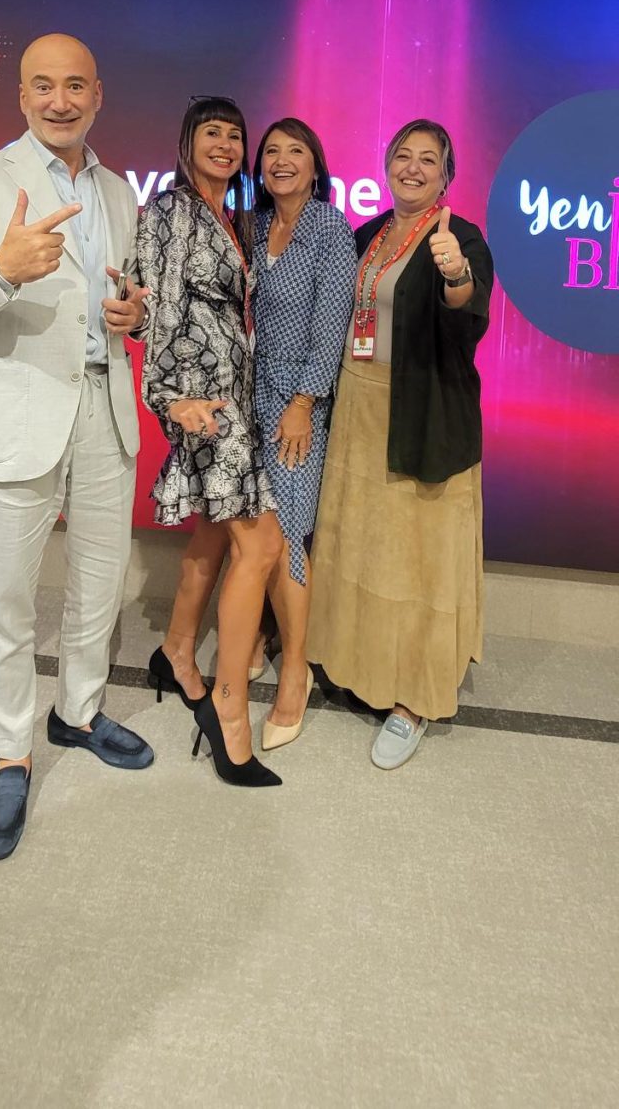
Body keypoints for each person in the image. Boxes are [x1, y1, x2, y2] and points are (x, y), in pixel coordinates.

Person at [0, 33, 154, 861]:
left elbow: (116, 296)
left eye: (76, 85)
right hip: (14, 412)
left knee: (100, 581)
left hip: (104, 405)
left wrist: (133, 314)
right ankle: (10, 751)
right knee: (5, 597)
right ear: (21, 95)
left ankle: (78, 712)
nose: (61, 100)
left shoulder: (118, 191)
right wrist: (4, 268)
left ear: (98, 94)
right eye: (44, 85)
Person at [307, 118, 493, 770]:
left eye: (428, 160)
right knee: (364, 549)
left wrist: (456, 274)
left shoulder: (459, 237)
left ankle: (413, 699)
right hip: (358, 408)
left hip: (424, 413)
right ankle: (360, 667)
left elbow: (468, 311)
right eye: (403, 156)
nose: (413, 168)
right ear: (387, 165)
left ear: (447, 176)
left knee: (419, 562)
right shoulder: (369, 233)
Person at [137, 97, 285, 789]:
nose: (225, 144)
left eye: (234, 135)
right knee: (261, 545)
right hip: (201, 404)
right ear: (187, 141)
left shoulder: (231, 217)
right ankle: (229, 710)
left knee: (216, 534)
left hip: (233, 396)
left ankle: (175, 651)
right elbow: (159, 307)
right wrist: (168, 398)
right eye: (211, 133)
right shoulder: (170, 210)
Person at [250, 118, 356, 751]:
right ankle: (264, 634)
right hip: (249, 396)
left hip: (299, 402)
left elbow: (331, 325)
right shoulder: (255, 226)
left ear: (316, 166)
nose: (282, 160)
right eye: (272, 151)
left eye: (296, 151)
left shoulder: (329, 228)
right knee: (255, 525)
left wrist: (303, 402)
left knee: (288, 530)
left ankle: (296, 670)